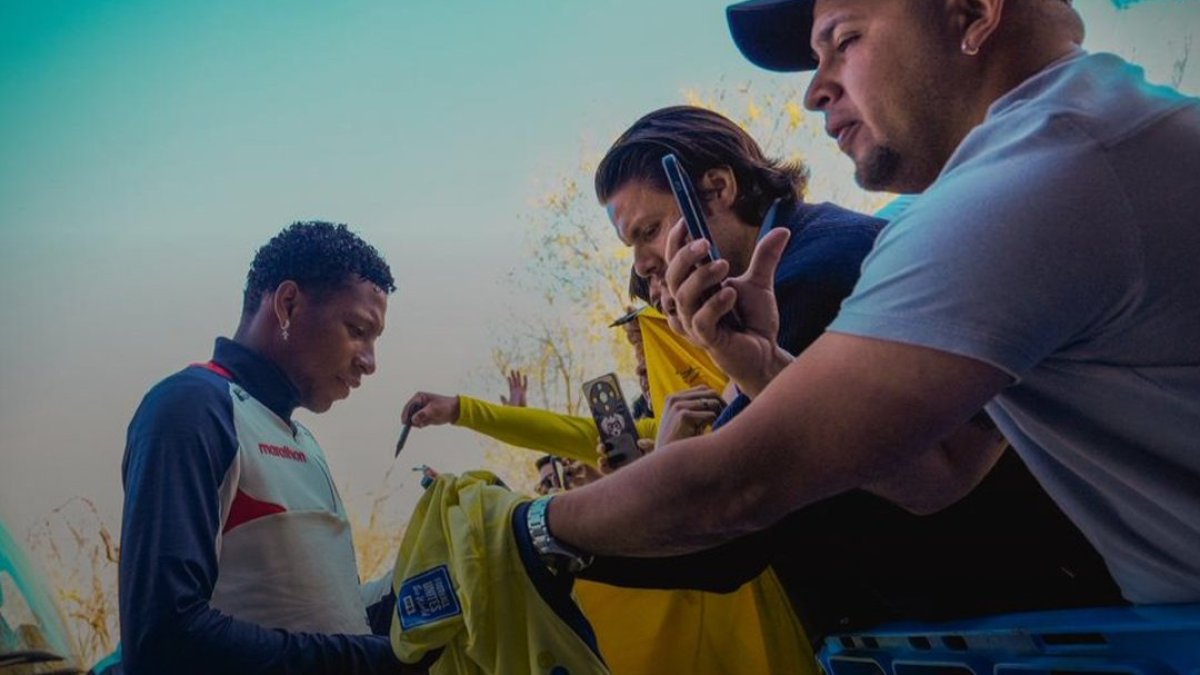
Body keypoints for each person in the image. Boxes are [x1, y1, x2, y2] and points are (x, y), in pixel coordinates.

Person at [535, 0, 1200, 608]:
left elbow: (736, 492)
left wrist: (523, 526)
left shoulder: (1030, 183)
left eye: (844, 40)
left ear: (972, 12)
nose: (814, 90)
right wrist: (762, 365)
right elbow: (942, 472)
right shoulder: (1084, 137)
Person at [567, 104, 1122, 641]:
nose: (641, 263)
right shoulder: (806, 252)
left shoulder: (808, 279)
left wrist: (542, 531)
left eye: (648, 230)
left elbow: (727, 520)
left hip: (1024, 615)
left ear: (716, 189)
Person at [118, 221, 418, 674]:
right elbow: (163, 639)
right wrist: (374, 662)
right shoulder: (193, 407)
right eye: (357, 330)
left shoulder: (304, 441)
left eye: (375, 340)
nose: (369, 362)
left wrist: (420, 579)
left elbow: (332, 621)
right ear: (288, 304)